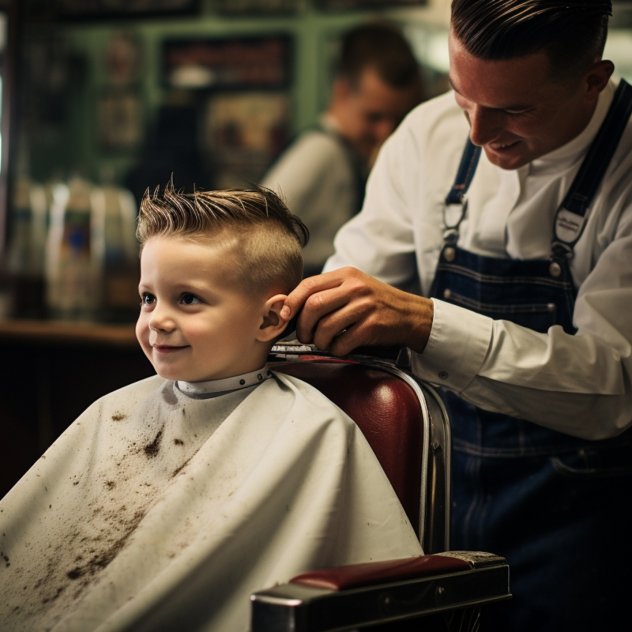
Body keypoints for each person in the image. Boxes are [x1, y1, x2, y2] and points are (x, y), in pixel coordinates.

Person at [280, 1, 632, 630]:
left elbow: (611, 388)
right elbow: (357, 277)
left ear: (593, 79)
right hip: (431, 507)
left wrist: (425, 323)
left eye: (514, 110)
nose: (476, 132)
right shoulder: (426, 135)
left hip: (583, 532)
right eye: (460, 94)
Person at [0, 184, 422, 631]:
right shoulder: (115, 412)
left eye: (187, 299)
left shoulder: (311, 430)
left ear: (270, 319)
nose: (157, 320)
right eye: (148, 298)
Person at [261, 20, 424, 276]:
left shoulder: (351, 154)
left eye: (397, 118)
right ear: (342, 92)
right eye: (373, 117)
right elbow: (255, 225)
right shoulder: (319, 151)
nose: (385, 132)